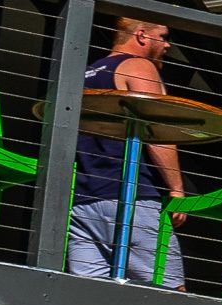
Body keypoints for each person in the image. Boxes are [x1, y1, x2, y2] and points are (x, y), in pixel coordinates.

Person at [69, 16, 188, 285]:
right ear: (142, 35)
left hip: (82, 204)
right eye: (163, 37)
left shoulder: (85, 74)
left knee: (88, 295)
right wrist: (176, 189)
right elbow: (156, 130)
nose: (167, 45)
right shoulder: (137, 65)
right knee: (169, 293)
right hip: (130, 199)